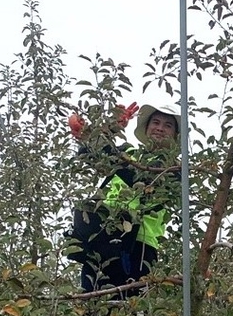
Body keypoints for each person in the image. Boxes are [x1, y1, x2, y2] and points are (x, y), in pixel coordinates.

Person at [68, 102, 181, 301]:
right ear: (146, 127)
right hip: (102, 238)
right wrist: (109, 129)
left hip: (138, 246)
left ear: (175, 135)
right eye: (155, 122)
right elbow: (89, 154)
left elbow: (139, 178)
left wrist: (106, 147)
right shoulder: (129, 154)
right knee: (92, 303)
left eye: (168, 125)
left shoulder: (174, 170)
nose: (160, 128)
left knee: (127, 309)